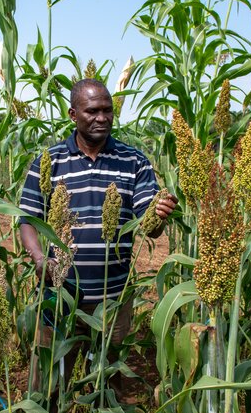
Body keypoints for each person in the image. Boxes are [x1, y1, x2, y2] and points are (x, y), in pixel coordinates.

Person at [18, 78, 178, 394]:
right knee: (49, 384)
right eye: (92, 111)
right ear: (73, 114)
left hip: (113, 300)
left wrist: (159, 214)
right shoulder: (50, 161)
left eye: (107, 110)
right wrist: (39, 258)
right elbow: (27, 219)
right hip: (58, 295)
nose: (101, 118)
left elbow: (149, 225)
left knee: (109, 386)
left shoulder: (133, 161)